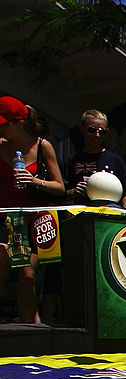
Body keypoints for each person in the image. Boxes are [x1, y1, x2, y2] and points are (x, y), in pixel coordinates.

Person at [0, 96, 65, 324]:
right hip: (8, 219)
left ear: (18, 123)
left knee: (27, 273)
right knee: (2, 263)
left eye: (3, 123)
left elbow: (60, 188)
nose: (0, 128)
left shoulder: (42, 146)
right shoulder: (1, 146)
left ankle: (27, 329)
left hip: (35, 218)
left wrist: (35, 181)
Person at [63, 109, 126, 208]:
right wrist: (73, 192)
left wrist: (125, 212)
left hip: (110, 214)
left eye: (102, 131)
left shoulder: (115, 159)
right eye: (92, 130)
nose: (97, 135)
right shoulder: (72, 160)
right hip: (81, 214)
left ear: (107, 132)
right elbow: (61, 195)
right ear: (82, 129)